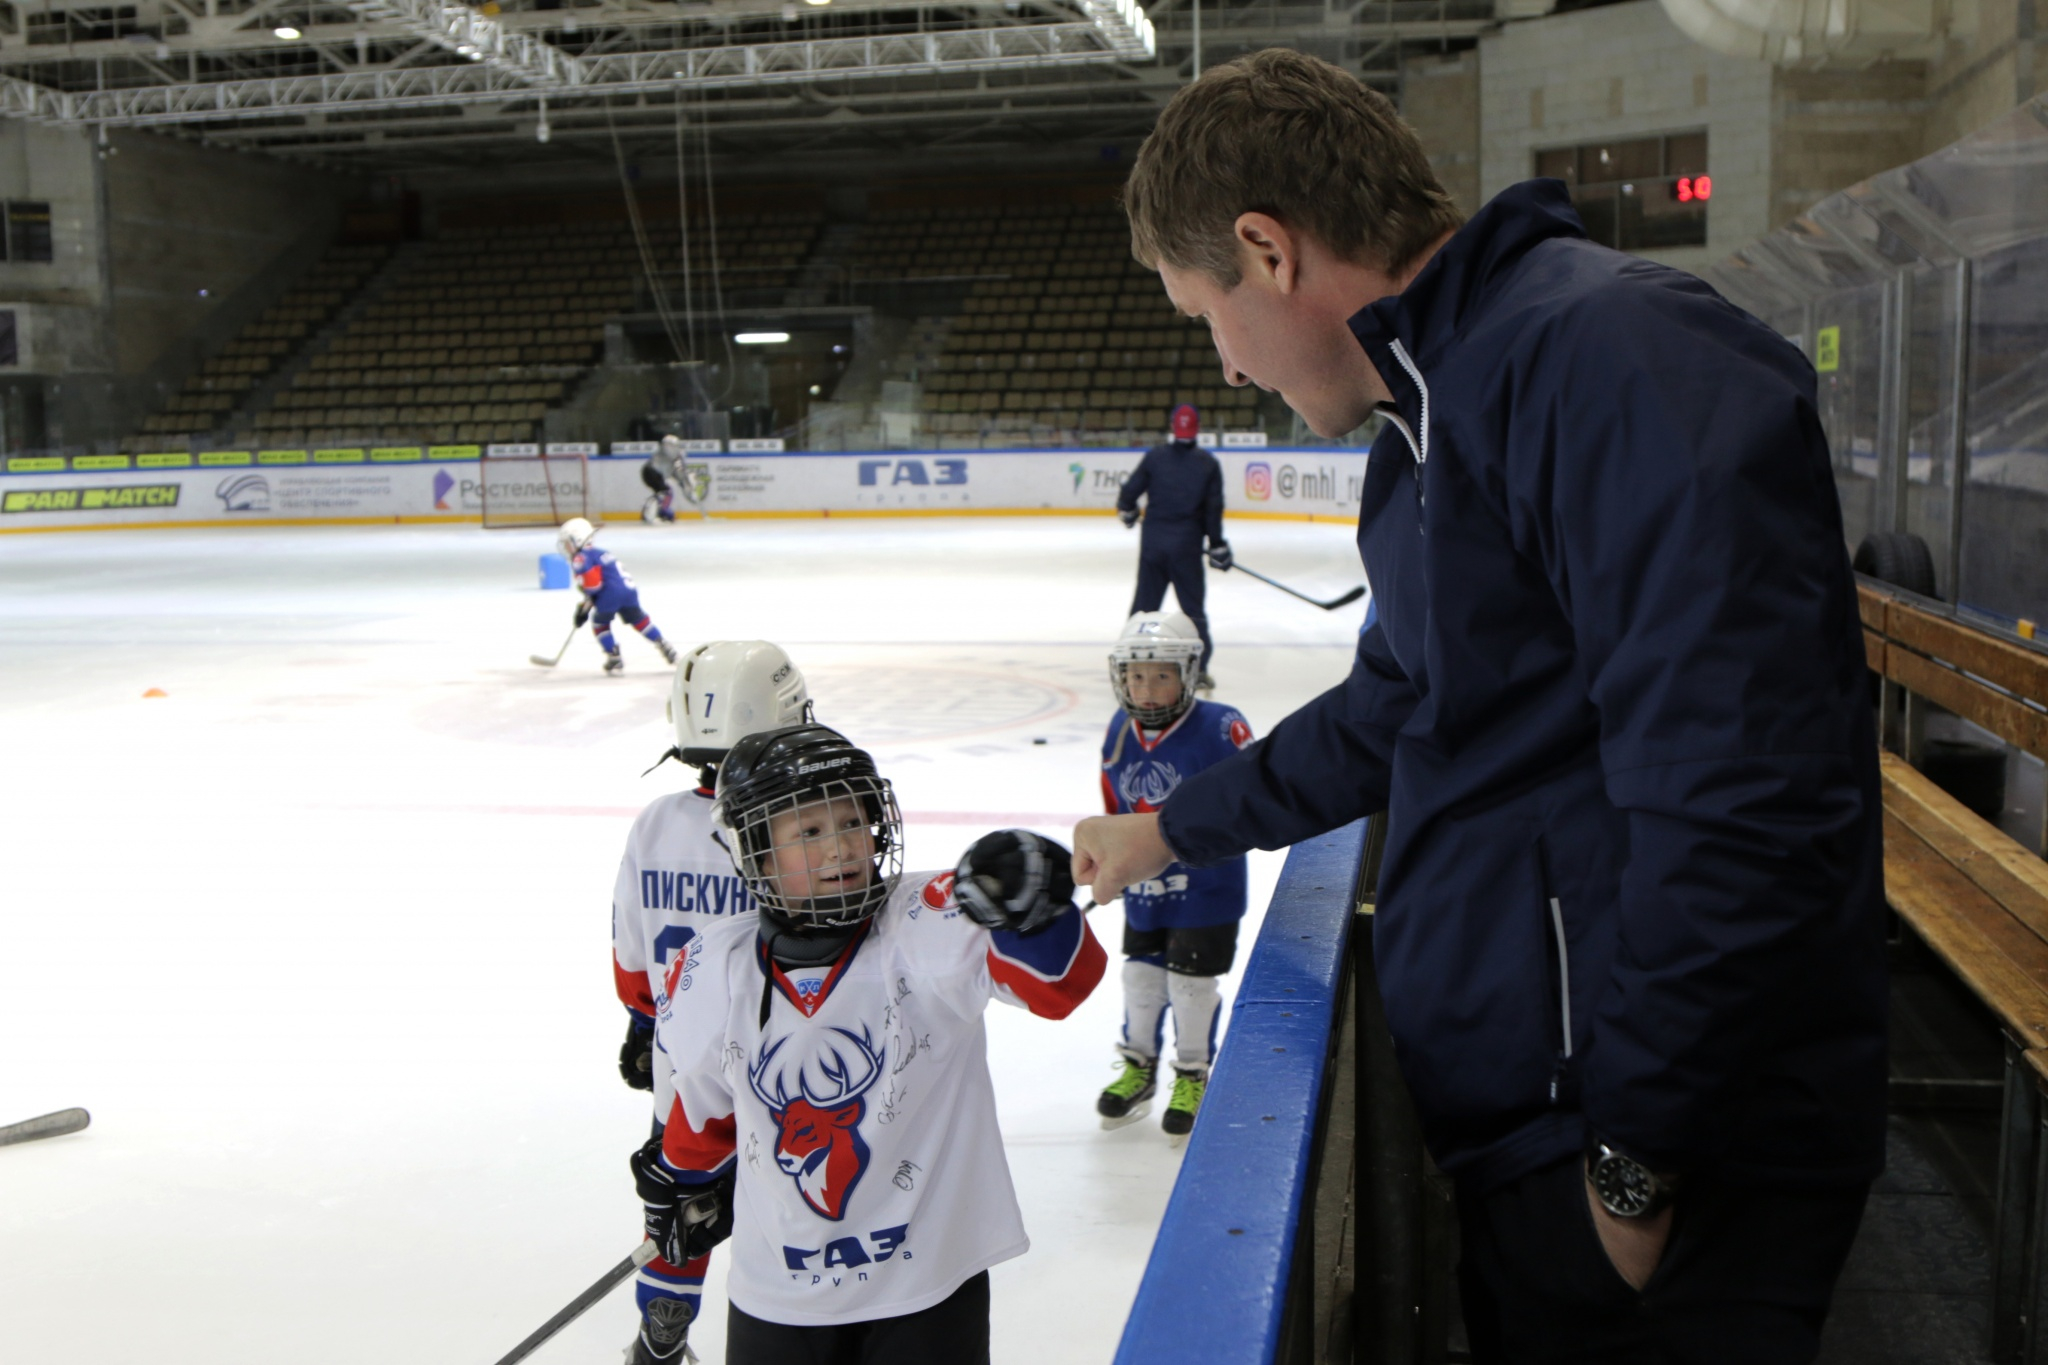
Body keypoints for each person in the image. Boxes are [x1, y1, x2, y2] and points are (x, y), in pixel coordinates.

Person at [1075, 48, 1884, 1365]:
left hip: (1660, 1162)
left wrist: (1635, 1168)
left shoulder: (1609, 357)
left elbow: (1741, 792)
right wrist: (1170, 831)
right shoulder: (1434, 429)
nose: (1225, 368)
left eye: (1203, 313)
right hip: (1555, 1123)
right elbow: (1399, 709)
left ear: (1268, 251)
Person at [633, 723, 1106, 1364]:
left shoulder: (931, 919)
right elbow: (702, 1121)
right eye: (808, 832)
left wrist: (1035, 913)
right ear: (756, 853)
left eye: (852, 822)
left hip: (929, 1285)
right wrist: (681, 1198)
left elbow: (1061, 987)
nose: (841, 849)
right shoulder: (709, 967)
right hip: (778, 1294)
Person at [609, 640, 815, 1365]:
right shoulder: (791, 822)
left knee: (679, 1196)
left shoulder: (655, 823)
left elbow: (632, 949)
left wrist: (642, 1022)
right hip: (783, 1057)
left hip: (684, 1060)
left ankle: (663, 1326)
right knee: (793, 1192)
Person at [1093, 611, 1253, 1139]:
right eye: (1137, 676)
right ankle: (1138, 1066)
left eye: (1161, 675)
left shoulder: (1221, 726)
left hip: (1207, 884)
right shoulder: (1120, 729)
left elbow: (1246, 804)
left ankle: (1192, 1073)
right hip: (1145, 884)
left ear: (1188, 673)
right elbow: (1114, 802)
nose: (1147, 688)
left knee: (1190, 983)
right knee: (1140, 976)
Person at [1115, 402, 1230, 691]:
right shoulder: (1207, 464)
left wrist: (1127, 511)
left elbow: (1129, 493)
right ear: (1198, 429)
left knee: (1143, 607)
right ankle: (1200, 671)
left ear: (1171, 427)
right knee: (1193, 611)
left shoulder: (1156, 458)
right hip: (1186, 548)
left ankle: (1129, 666)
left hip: (1153, 545)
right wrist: (1217, 545)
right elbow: (1212, 510)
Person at [559, 516, 679, 674]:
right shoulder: (602, 552)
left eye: (568, 543)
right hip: (629, 592)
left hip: (610, 595)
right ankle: (663, 644)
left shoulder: (581, 558)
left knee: (600, 623)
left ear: (578, 539)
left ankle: (614, 658)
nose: (566, 548)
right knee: (639, 620)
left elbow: (594, 586)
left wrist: (584, 609)